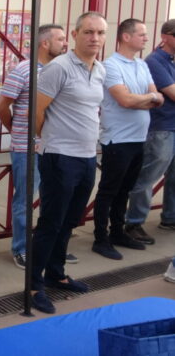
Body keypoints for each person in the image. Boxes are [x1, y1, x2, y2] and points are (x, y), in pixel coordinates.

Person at [30, 12, 107, 314]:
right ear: (75, 35)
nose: (95, 38)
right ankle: (34, 284)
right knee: (50, 222)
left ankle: (56, 274)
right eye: (88, 32)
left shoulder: (99, 69)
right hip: (60, 157)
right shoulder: (59, 67)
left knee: (69, 221)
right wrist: (47, 140)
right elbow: (38, 111)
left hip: (88, 157)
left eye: (100, 33)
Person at [0, 24, 76, 269]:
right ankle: (21, 248)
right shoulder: (23, 70)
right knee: (25, 201)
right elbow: (1, 107)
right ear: (44, 43)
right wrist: (19, 134)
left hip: (55, 147)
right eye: (61, 39)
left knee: (54, 200)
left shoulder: (61, 69)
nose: (65, 44)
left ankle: (49, 247)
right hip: (27, 149)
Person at [92, 19, 164, 260]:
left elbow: (159, 98)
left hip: (138, 138)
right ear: (125, 36)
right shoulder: (110, 66)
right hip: (117, 139)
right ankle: (100, 238)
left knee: (125, 190)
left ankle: (118, 232)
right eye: (141, 34)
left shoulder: (142, 65)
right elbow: (125, 101)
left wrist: (145, 97)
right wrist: (148, 98)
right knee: (109, 191)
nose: (146, 38)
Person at [125, 19, 175, 244]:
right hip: (161, 128)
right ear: (165, 37)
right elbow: (172, 93)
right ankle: (133, 222)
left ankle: (170, 217)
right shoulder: (155, 61)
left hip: (171, 127)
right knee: (148, 177)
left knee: (173, 177)